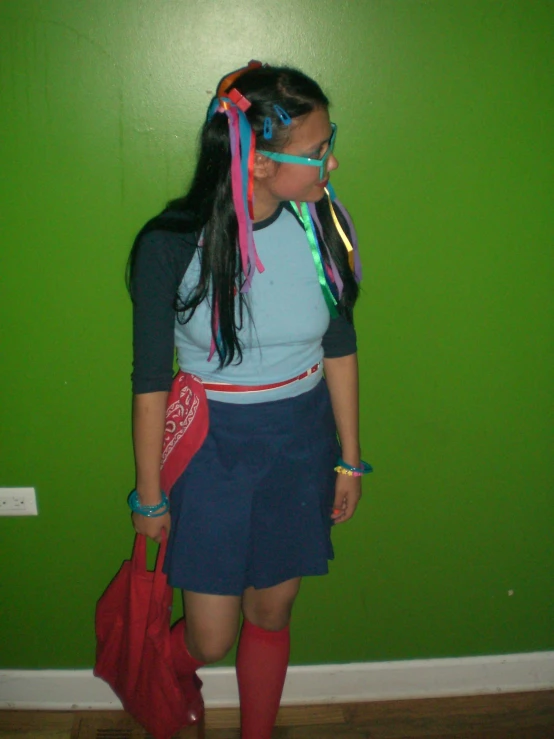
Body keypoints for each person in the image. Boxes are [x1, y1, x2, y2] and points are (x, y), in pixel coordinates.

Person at [127, 61, 371, 739]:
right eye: (318, 149)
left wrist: (351, 459)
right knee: (209, 636)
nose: (332, 159)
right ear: (259, 162)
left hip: (300, 439)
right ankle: (163, 670)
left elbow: (341, 346)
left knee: (274, 609)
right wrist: (150, 496)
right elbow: (150, 381)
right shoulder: (170, 245)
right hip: (211, 449)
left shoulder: (323, 228)